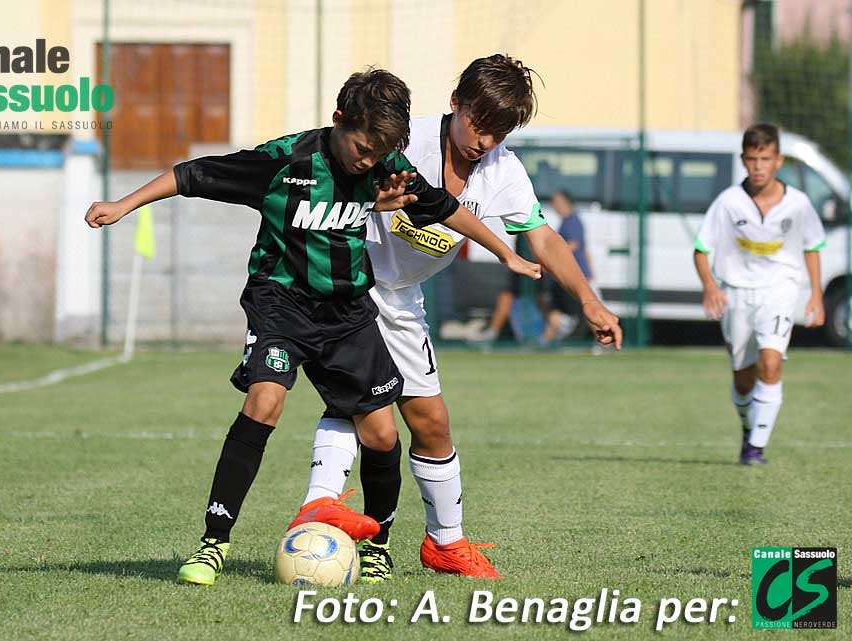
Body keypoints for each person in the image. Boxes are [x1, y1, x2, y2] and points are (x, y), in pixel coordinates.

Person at [84, 68, 540, 587]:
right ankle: (213, 544)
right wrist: (122, 205)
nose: (367, 160)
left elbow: (444, 208)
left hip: (347, 312)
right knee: (265, 401)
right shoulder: (288, 161)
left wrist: (504, 252)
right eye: (362, 148)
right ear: (339, 119)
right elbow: (191, 175)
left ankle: (377, 548)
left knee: (382, 433)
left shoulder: (386, 165)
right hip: (282, 302)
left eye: (378, 152)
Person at [288, 55, 622, 582]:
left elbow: (543, 238)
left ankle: (445, 544)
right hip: (348, 281)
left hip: (403, 299)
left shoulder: (503, 172)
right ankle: (320, 513)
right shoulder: (405, 141)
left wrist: (588, 299)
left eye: (499, 132)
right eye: (479, 124)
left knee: (431, 423)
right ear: (456, 104)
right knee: (360, 408)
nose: (485, 141)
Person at [693, 123, 825, 466]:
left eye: (765, 159)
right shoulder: (728, 202)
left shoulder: (798, 204)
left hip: (780, 289)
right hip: (736, 293)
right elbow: (701, 249)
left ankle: (756, 448)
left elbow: (812, 246)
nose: (758, 166)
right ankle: (748, 430)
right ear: (743, 160)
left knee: (771, 361)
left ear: (778, 160)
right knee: (743, 378)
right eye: (752, 159)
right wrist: (710, 286)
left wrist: (816, 295)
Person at [539, 190, 592, 346]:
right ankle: (544, 342)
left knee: (589, 309)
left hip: (574, 275)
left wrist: (550, 259)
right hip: (565, 275)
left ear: (565, 202)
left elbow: (574, 245)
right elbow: (585, 249)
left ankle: (608, 341)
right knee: (553, 308)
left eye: (555, 201)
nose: (553, 205)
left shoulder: (572, 221)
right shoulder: (566, 221)